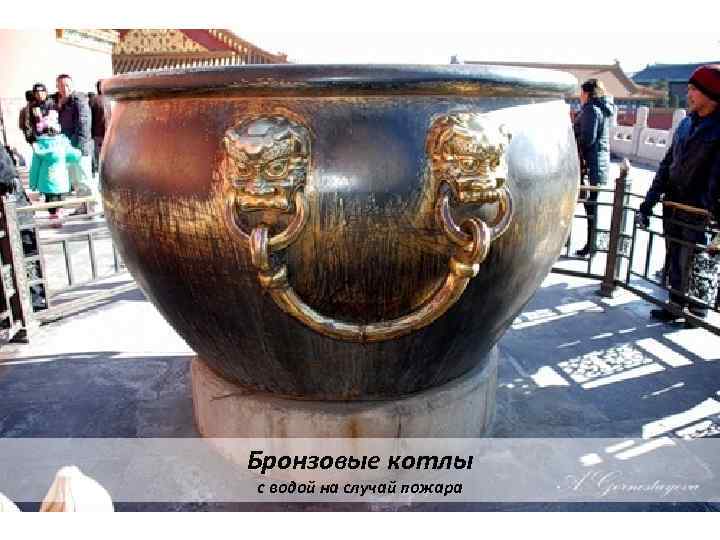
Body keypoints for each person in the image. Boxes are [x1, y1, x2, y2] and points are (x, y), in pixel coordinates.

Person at [637, 64, 720, 322]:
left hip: (700, 211)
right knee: (674, 256)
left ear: (711, 94)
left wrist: (710, 211)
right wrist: (649, 202)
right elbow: (667, 164)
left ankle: (697, 311)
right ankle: (674, 305)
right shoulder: (685, 123)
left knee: (696, 261)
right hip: (674, 205)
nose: (688, 94)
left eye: (694, 89)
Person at [573, 78, 615, 257]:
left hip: (591, 165)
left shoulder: (591, 109)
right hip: (598, 165)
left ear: (587, 93)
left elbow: (587, 139)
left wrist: (573, 142)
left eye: (581, 93)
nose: (580, 97)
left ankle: (591, 245)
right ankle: (592, 245)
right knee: (592, 206)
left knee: (590, 207)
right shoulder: (601, 108)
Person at [29, 111, 81, 228]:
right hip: (61, 181)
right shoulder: (62, 143)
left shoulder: (39, 146)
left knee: (50, 201)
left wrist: (33, 183)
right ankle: (59, 215)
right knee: (60, 200)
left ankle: (53, 217)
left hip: (46, 182)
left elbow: (35, 167)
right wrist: (79, 153)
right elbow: (74, 155)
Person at [54, 73, 97, 216]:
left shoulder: (78, 101)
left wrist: (77, 145)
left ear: (72, 86)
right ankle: (83, 206)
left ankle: (93, 207)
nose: (64, 88)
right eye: (61, 86)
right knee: (76, 180)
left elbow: (84, 124)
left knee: (84, 178)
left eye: (67, 85)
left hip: (79, 148)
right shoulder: (62, 103)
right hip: (69, 147)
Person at [88, 81, 111, 177]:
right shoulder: (111, 100)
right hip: (108, 133)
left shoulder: (93, 100)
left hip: (97, 135)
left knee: (98, 159)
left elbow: (89, 119)